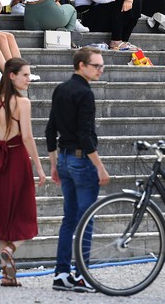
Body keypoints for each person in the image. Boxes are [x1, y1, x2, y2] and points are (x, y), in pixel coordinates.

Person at [0, 58, 46, 286]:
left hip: (0, 162)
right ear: (12, 76)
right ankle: (11, 249)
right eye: (25, 75)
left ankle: (7, 275)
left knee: (3, 217)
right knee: (25, 215)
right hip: (17, 158)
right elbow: (27, 137)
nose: (28, 79)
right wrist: (40, 168)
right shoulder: (22, 103)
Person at [46, 47, 110, 292]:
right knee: (86, 220)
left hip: (63, 158)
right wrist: (100, 167)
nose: (100, 70)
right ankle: (82, 275)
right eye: (97, 66)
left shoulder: (62, 89)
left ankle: (61, 273)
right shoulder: (85, 93)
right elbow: (85, 135)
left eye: (102, 66)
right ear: (81, 65)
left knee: (69, 219)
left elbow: (51, 130)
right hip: (81, 160)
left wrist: (54, 163)